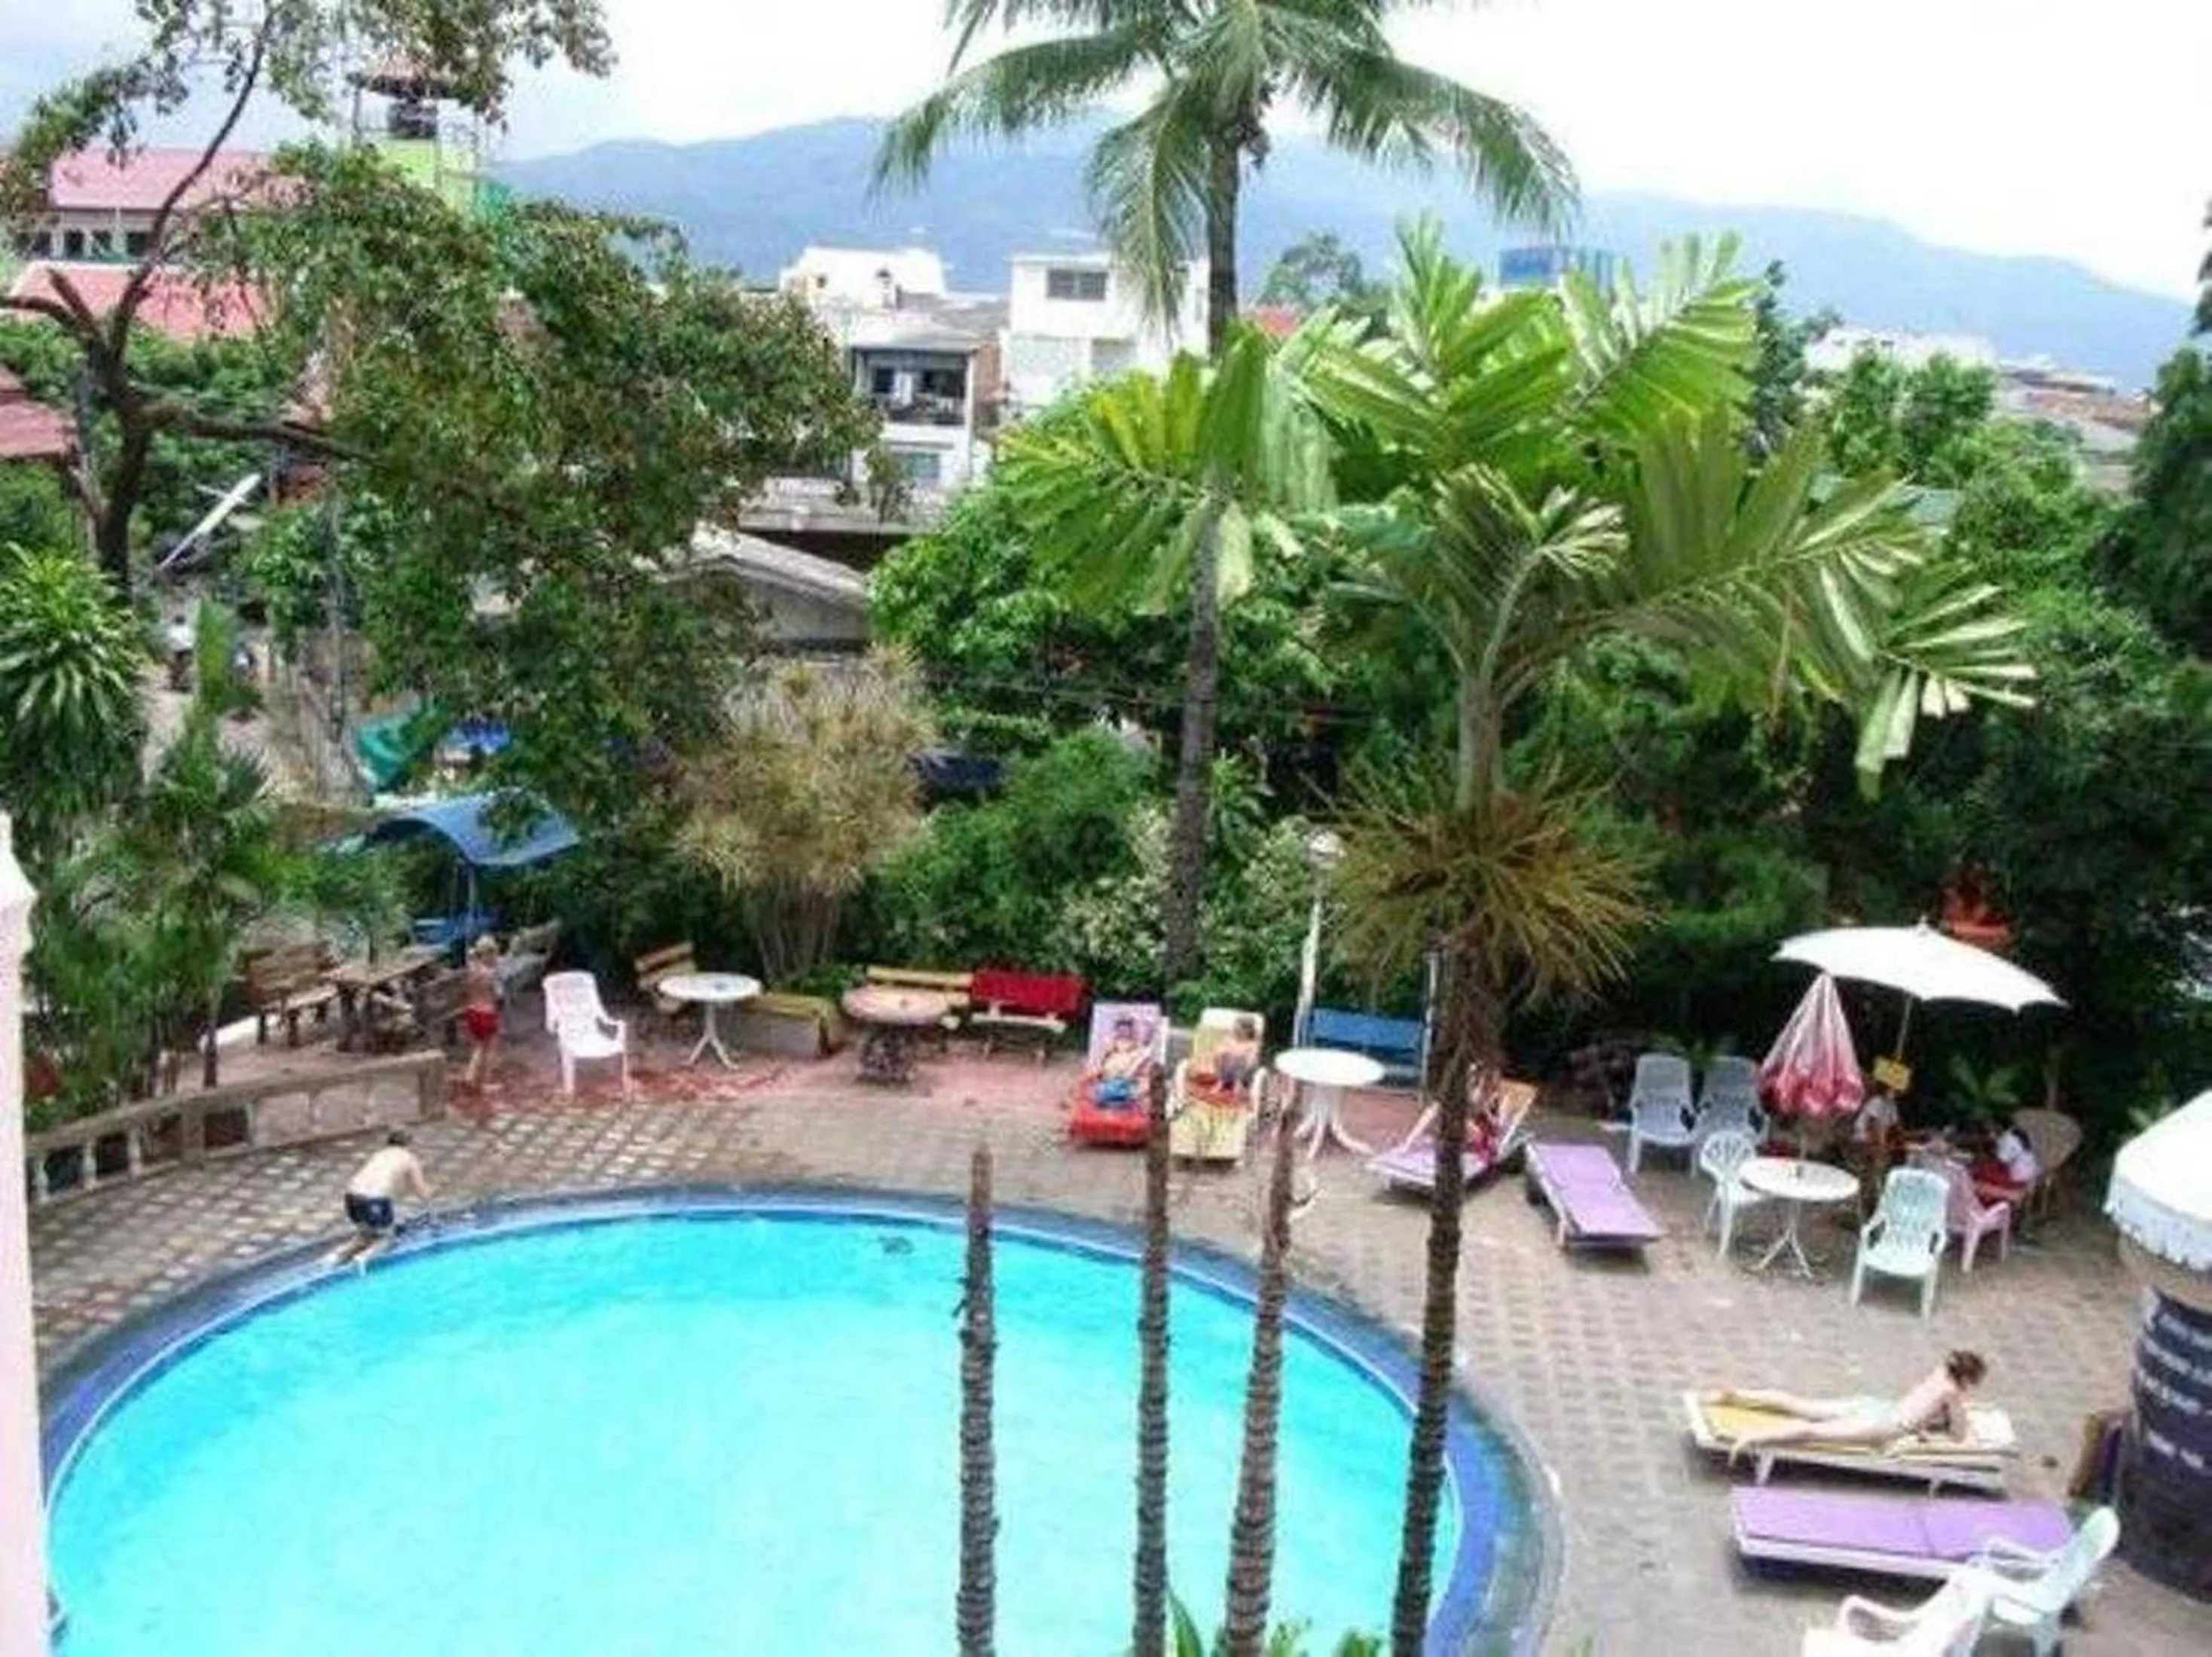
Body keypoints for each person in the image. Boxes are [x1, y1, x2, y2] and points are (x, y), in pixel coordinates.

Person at [1708, 1350, 1989, 1461]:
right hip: (1885, 1424)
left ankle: (1737, 1395)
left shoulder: (1938, 1374)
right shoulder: (1952, 1392)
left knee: (1800, 1405)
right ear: (1967, 1379)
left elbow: (1925, 1412)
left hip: (1875, 1406)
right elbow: (1958, 1436)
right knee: (1812, 1432)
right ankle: (1751, 1437)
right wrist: (1960, 1407)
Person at [329, 1131, 433, 1268]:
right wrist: (430, 1196)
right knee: (387, 1238)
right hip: (374, 1199)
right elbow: (422, 1191)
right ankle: (362, 1259)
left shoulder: (379, 1154)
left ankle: (335, 1257)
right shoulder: (408, 1158)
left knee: (364, 1236)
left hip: (352, 1196)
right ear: (408, 1144)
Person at [460, 934, 503, 1091]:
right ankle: (486, 1083)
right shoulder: (490, 975)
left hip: (472, 1012)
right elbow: (498, 995)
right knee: (490, 1048)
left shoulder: (472, 970)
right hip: (487, 1013)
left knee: (479, 1047)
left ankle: (470, 1076)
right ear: (490, 954)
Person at [1089, 1015, 1154, 1109]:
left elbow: (1140, 1068)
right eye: (1121, 1027)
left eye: (1127, 1028)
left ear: (1131, 1030)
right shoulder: (1110, 1045)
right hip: (1110, 1080)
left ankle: (1117, 1094)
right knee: (1100, 1088)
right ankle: (1114, 1094)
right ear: (1117, 1029)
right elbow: (1098, 1065)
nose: (1124, 1031)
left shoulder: (1139, 1050)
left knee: (1142, 1084)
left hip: (1127, 1081)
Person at [1211, 1016, 1262, 1092]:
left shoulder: (1253, 1043)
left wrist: (1241, 1054)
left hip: (1244, 1072)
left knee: (1249, 1058)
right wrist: (1223, 1052)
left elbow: (1253, 1057)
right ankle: (1221, 1081)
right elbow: (1219, 1049)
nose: (1235, 1030)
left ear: (1247, 1030)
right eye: (1235, 1027)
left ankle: (1238, 1082)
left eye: (1238, 1028)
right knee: (1220, 1054)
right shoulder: (1230, 1039)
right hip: (1228, 1069)